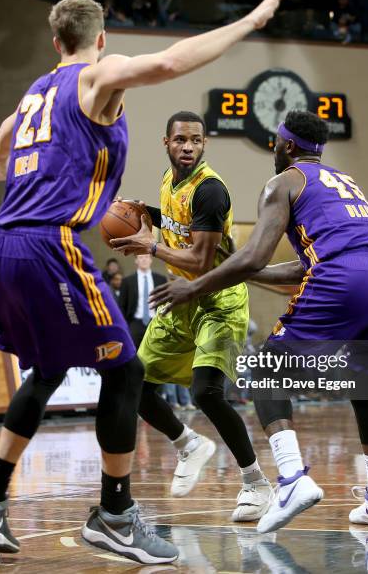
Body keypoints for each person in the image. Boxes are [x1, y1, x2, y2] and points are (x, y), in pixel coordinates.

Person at [0, 0, 304, 563]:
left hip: (2, 242)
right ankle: (115, 515)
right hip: (50, 241)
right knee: (126, 370)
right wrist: (252, 21)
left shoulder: (35, 93)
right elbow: (168, 61)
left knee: (45, 369)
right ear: (100, 39)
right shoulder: (97, 74)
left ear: (53, 40)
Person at [149, 110, 368, 532]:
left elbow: (257, 256)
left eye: (275, 140)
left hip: (347, 277)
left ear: (287, 145)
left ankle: (291, 480)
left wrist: (193, 287)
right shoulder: (343, 180)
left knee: (268, 371)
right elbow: (299, 268)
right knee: (364, 388)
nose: (273, 146)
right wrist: (243, 270)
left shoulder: (283, 182)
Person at [111, 111, 274, 522]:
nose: (188, 147)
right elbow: (176, 223)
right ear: (165, 143)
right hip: (182, 298)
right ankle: (188, 443)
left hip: (220, 299)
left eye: (196, 141)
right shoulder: (170, 183)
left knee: (205, 392)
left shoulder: (210, 190)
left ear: (204, 145)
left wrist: (151, 246)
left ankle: (256, 482)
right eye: (181, 140)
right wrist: (142, 212)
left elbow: (201, 259)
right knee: (136, 383)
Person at [118, 254, 166, 346]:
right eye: (141, 257)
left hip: (155, 321)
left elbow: (165, 302)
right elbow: (121, 305)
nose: (144, 260)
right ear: (136, 261)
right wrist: (124, 325)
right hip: (135, 322)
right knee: (133, 351)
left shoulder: (161, 279)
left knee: (156, 351)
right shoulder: (127, 281)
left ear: (151, 260)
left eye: (147, 257)